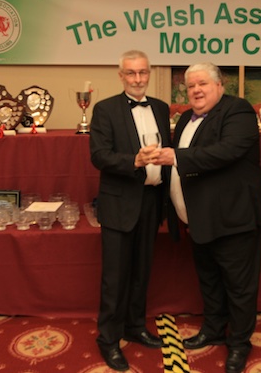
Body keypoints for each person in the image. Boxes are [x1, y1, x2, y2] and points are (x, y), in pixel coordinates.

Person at [152, 62, 261, 373]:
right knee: (210, 280)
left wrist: (174, 156)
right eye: (190, 86)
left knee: (239, 287)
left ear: (219, 85)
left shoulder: (238, 111)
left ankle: (239, 344)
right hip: (200, 219)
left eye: (202, 84)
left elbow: (226, 151)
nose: (196, 90)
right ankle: (214, 330)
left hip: (233, 218)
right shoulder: (187, 118)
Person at [89, 50, 173, 372]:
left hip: (152, 200)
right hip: (119, 203)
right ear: (121, 75)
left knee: (142, 271)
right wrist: (133, 161)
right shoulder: (105, 109)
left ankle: (135, 326)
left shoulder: (161, 108)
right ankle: (108, 339)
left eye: (143, 72)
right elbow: (99, 155)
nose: (138, 79)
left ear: (149, 73)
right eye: (131, 73)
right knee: (115, 277)